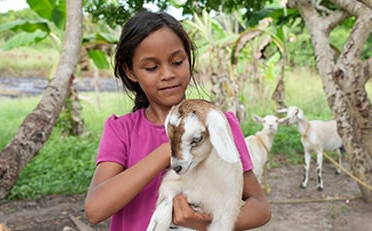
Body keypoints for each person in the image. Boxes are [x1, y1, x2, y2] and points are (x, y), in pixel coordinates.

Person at [84, 11, 271, 231]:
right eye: (152, 67)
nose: (167, 74)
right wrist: (171, 149)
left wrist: (205, 223)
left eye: (177, 62)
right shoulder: (122, 130)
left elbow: (260, 207)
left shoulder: (217, 124)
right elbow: (96, 209)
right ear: (130, 71)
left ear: (189, 60)